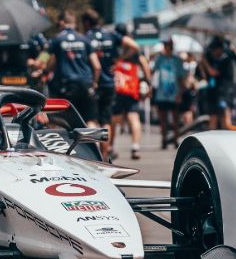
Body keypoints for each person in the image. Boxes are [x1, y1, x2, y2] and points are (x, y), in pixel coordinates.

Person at [81, 10, 140, 158]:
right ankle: (105, 154)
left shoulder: (86, 38)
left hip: (93, 84)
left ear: (87, 23)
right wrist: (120, 58)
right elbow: (134, 46)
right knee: (106, 121)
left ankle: (93, 156)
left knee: (92, 120)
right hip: (109, 84)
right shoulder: (111, 35)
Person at [43, 11, 102, 125]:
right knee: (90, 120)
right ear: (74, 23)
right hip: (86, 85)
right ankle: (93, 143)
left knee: (63, 120)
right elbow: (97, 67)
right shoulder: (84, 39)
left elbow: (43, 60)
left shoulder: (57, 39)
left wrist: (38, 66)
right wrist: (94, 83)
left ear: (61, 23)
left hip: (67, 86)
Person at [111, 46, 153, 161]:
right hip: (131, 88)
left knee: (113, 119)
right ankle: (135, 146)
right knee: (133, 117)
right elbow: (145, 65)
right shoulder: (136, 52)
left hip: (117, 88)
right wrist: (148, 83)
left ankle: (110, 147)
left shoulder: (114, 47)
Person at [152, 38, 188, 149]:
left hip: (174, 93)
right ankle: (164, 139)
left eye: (167, 45)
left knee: (175, 119)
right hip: (161, 94)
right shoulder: (160, 59)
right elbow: (153, 72)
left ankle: (176, 139)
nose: (165, 47)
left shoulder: (177, 60)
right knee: (163, 119)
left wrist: (180, 93)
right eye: (165, 45)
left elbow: (181, 78)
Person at [200, 36, 236, 130]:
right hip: (213, 93)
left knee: (225, 121)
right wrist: (202, 63)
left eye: (215, 50)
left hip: (224, 93)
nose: (213, 53)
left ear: (220, 49)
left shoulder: (226, 58)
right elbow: (205, 76)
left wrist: (204, 62)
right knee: (213, 121)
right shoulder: (210, 57)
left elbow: (213, 73)